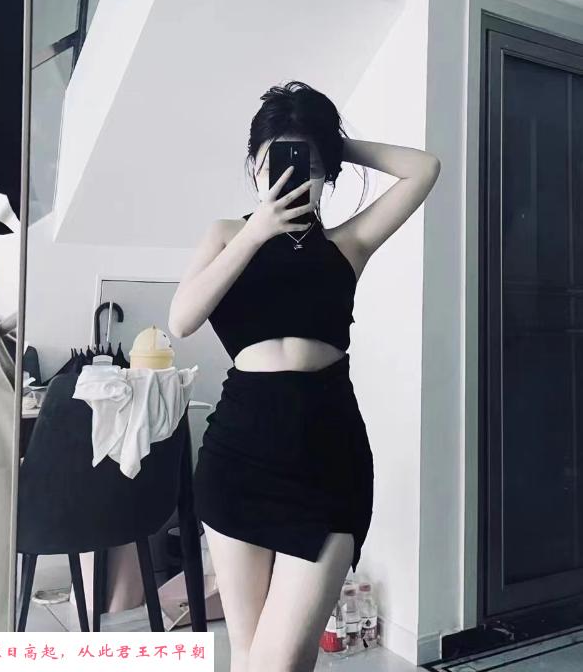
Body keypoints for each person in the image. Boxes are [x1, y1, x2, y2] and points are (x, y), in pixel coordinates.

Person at [168, 81, 440, 671]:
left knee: (281, 661)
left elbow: (424, 169)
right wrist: (257, 230)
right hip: (239, 456)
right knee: (248, 653)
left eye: (310, 166)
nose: (294, 177)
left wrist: (334, 142)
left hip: (328, 460)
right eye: (278, 162)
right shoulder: (225, 234)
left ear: (329, 173)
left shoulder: (349, 243)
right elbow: (182, 319)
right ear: (255, 165)